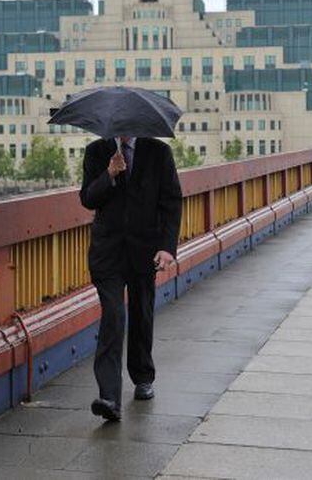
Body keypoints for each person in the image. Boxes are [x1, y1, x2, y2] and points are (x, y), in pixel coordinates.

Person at [80, 135, 182, 421]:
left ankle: (143, 377)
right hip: (107, 252)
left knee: (141, 312)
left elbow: (171, 201)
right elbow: (87, 198)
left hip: (144, 250)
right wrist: (109, 174)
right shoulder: (97, 151)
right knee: (113, 316)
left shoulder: (158, 152)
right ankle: (109, 396)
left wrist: (166, 246)